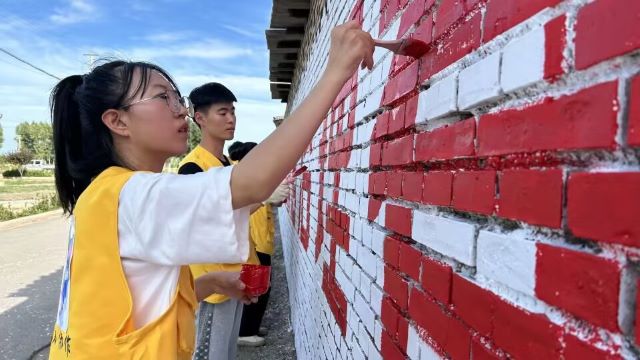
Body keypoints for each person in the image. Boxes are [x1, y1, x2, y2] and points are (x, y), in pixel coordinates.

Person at [47, 21, 374, 359]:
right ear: (117, 121)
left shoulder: (105, 194)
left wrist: (210, 283)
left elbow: (140, 300)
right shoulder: (134, 194)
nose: (181, 110)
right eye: (163, 97)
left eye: (178, 98)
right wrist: (336, 71)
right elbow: (253, 181)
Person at [177, 84, 262, 358]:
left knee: (226, 351)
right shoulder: (193, 167)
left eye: (233, 112)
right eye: (222, 112)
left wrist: (265, 198)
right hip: (213, 279)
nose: (231, 119)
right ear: (199, 118)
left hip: (236, 272)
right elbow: (203, 222)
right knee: (209, 352)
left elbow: (235, 212)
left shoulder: (226, 163)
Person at [230, 142, 279, 347]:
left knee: (261, 289)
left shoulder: (248, 178)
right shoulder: (247, 181)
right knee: (257, 289)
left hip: (259, 243)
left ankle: (251, 327)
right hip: (257, 245)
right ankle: (245, 332)